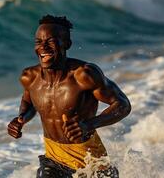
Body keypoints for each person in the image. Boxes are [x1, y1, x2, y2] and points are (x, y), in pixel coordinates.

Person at [7, 15, 131, 178]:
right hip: (54, 160)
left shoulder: (84, 75)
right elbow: (29, 101)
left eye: (50, 41)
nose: (43, 47)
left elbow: (123, 105)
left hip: (90, 162)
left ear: (67, 44)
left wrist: (88, 125)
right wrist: (21, 118)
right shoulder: (30, 78)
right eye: (38, 42)